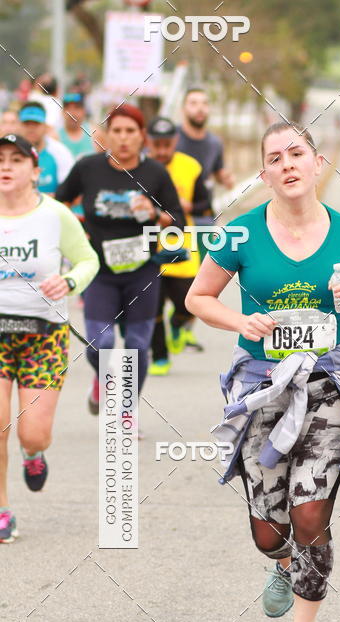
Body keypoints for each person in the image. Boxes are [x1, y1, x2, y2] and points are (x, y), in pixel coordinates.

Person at [185, 122, 340, 622]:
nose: (287, 163)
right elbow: (197, 297)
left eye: (296, 153)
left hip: (327, 388)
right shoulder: (238, 235)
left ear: (317, 162)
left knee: (310, 516)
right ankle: (281, 563)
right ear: (264, 173)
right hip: (263, 390)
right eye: (275, 157)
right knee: (269, 531)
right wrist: (241, 320)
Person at [55, 104, 185, 415]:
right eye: (117, 131)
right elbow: (58, 205)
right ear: (105, 135)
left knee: (138, 346)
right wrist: (78, 230)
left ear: (142, 137)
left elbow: (179, 220)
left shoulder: (155, 173)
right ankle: (103, 378)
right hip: (99, 270)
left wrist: (155, 214)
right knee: (101, 343)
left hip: (143, 271)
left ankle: (127, 410)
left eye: (131, 132)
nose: (124, 138)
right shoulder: (88, 168)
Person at [0, 133, 99, 543]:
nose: (6, 166)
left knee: (32, 432)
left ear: (35, 171)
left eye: (16, 159)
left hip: (44, 337)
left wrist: (70, 280)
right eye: (0, 159)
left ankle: (34, 453)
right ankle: (3, 510)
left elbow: (88, 259)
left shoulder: (55, 215)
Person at [146, 115, 210, 374]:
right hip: (149, 243)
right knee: (153, 306)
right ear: (148, 142)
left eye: (166, 144)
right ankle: (160, 357)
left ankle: (178, 325)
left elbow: (206, 204)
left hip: (182, 245)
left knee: (190, 303)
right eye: (156, 144)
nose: (161, 151)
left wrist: (189, 207)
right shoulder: (139, 167)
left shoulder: (191, 167)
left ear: (175, 141)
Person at [176, 87, 235, 350]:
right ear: (184, 109)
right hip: (175, 221)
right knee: (174, 276)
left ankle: (183, 327)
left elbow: (218, 170)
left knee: (202, 279)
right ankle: (170, 323)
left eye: (204, 103)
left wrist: (226, 178)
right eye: (193, 103)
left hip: (204, 219)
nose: (199, 108)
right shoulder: (171, 139)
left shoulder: (213, 143)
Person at [18, 101, 74, 195]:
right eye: (27, 123)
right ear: (19, 126)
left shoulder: (60, 152)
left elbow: (69, 192)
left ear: (45, 126)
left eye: (36, 123)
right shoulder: (9, 152)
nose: (31, 128)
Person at [58, 92, 97, 160]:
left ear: (84, 111)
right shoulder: (54, 136)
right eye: (68, 108)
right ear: (62, 112)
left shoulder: (96, 134)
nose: (72, 113)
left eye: (77, 108)